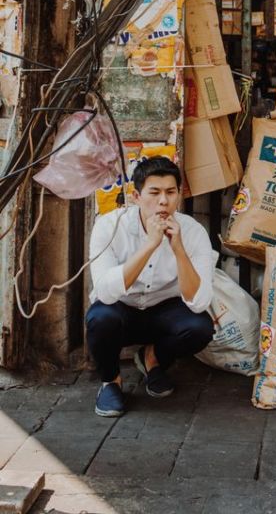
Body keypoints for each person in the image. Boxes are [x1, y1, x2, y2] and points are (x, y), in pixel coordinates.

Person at [86, 156, 216, 418]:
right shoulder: (109, 227)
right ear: (136, 196)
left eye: (171, 192)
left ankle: (153, 358)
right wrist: (150, 246)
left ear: (179, 194)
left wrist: (177, 248)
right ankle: (111, 381)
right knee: (100, 318)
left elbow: (200, 302)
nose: (163, 201)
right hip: (121, 310)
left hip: (164, 311)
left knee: (201, 327)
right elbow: (105, 292)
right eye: (154, 193)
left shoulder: (193, 232)